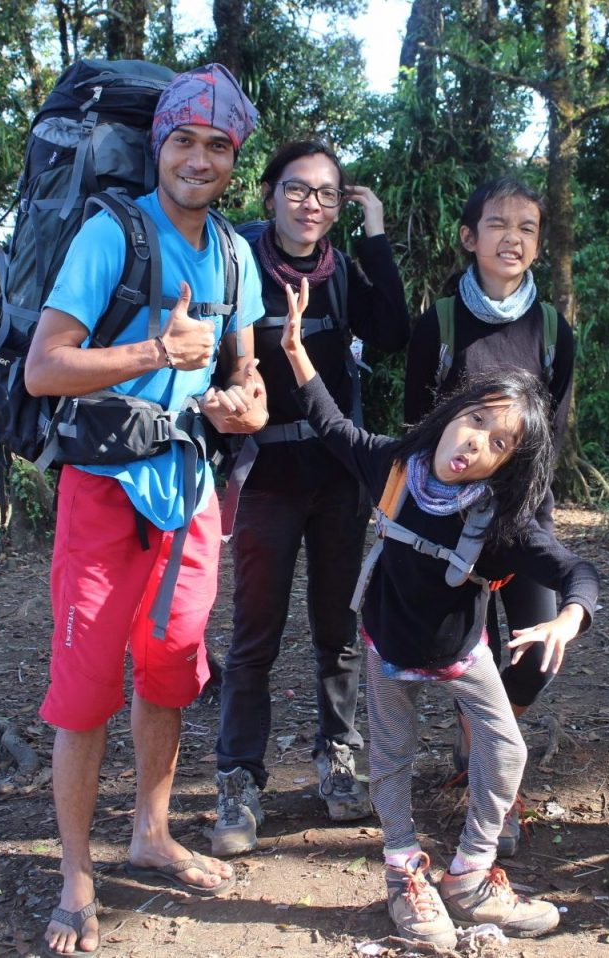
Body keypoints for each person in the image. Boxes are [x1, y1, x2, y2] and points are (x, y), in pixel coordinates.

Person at [24, 64, 266, 958]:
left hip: (191, 495)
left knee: (169, 672)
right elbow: (44, 368)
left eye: (217, 146)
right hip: (104, 490)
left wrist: (246, 406)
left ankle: (151, 832)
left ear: (234, 159)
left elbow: (245, 374)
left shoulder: (234, 254)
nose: (199, 159)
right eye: (184, 141)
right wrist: (154, 351)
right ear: (158, 144)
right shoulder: (110, 233)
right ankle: (76, 876)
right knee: (85, 689)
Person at [281, 278, 598, 946]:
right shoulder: (394, 467)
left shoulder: (500, 519)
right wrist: (295, 351)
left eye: (500, 444)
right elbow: (332, 424)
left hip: (461, 653)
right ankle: (404, 873)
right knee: (391, 759)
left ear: (508, 466)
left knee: (505, 749)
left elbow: (577, 571)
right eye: (476, 419)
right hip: (388, 645)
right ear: (453, 411)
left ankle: (470, 876)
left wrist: (570, 617)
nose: (477, 442)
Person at [211, 141, 410, 855]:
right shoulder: (235, 264)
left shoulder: (341, 274)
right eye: (298, 189)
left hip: (335, 479)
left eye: (327, 194)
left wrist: (375, 232)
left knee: (338, 631)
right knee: (254, 635)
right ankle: (239, 779)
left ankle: (339, 759)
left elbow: (393, 333)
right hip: (264, 476)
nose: (312, 205)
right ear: (270, 194)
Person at [403, 176, 576, 856]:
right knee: (465, 651)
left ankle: (481, 744)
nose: (513, 238)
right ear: (470, 237)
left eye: (527, 228)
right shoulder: (440, 323)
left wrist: (528, 508)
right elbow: (419, 427)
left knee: (534, 657)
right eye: (499, 225)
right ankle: (491, 780)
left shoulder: (554, 330)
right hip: (452, 522)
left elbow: (550, 433)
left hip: (523, 516)